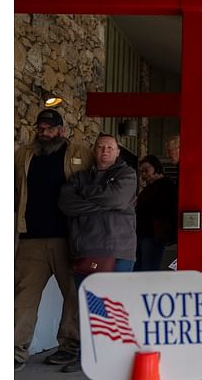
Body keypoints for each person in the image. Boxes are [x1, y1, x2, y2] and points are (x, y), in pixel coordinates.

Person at [14, 109, 93, 372]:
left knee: (72, 293)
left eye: (49, 128)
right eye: (40, 128)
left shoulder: (80, 153)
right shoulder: (24, 155)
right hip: (30, 237)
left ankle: (70, 347)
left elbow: (92, 186)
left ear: (61, 130)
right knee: (24, 295)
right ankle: (15, 349)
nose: (44, 132)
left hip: (67, 237)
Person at [58, 133, 138, 372]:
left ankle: (115, 359)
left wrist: (87, 195)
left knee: (116, 307)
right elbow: (66, 204)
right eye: (101, 146)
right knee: (88, 307)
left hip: (118, 249)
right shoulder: (79, 177)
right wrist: (102, 200)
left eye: (110, 147)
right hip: (85, 250)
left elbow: (117, 197)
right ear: (94, 151)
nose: (105, 150)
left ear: (117, 152)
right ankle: (88, 357)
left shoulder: (127, 174)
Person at [134, 155, 177, 271]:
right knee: (140, 267)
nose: (144, 174)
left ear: (156, 167)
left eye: (146, 169)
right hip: (142, 233)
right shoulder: (149, 187)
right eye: (142, 171)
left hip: (153, 234)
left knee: (148, 268)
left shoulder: (166, 185)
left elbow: (166, 210)